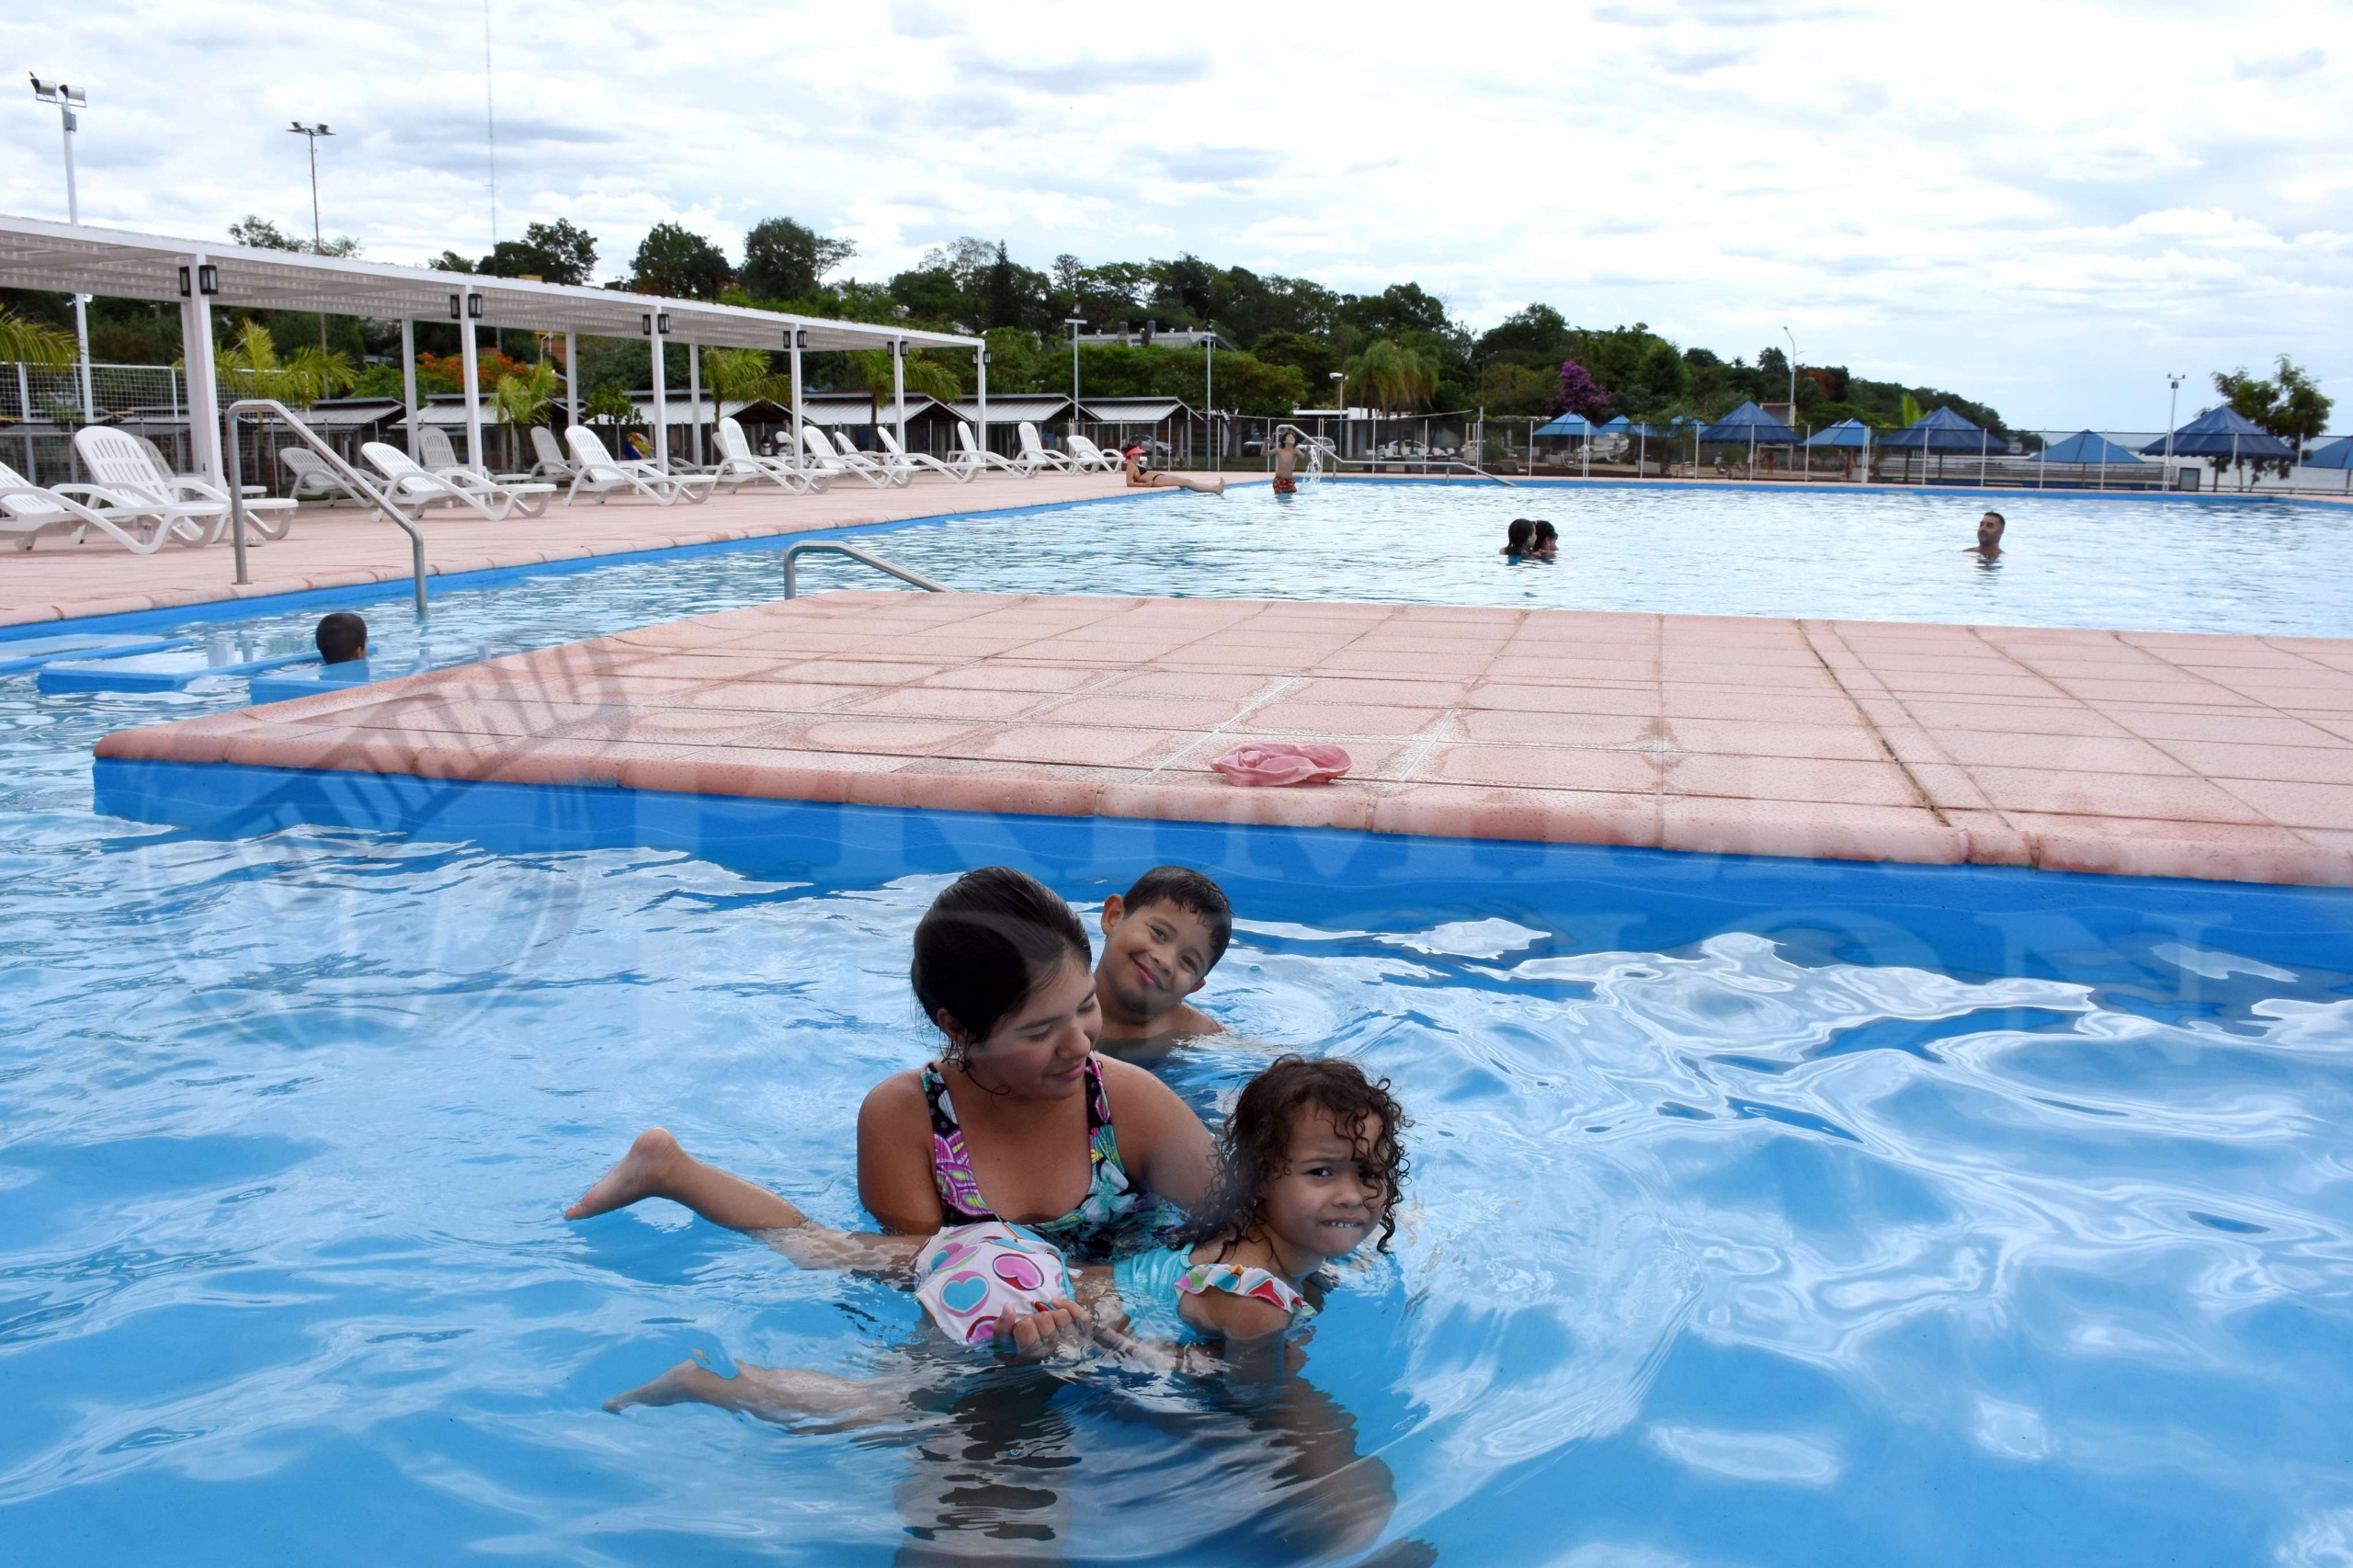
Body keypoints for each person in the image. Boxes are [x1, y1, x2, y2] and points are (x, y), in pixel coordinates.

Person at [601, 1054, 1410, 1416]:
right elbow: (1242, 1396)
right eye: (1323, 1173)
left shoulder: (1237, 1244)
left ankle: (675, 1169)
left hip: (1009, 1257)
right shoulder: (1262, 1300)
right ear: (1264, 1179)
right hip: (1024, 1301)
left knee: (825, 1248)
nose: (1352, 1195)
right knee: (898, 1405)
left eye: (1369, 1176)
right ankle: (713, 1386)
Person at [566, 866, 1215, 1264]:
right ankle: (671, 1171)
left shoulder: (1126, 1102)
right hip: (989, 1316)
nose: (1079, 1044)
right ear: (958, 1029)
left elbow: (1249, 1223)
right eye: (1042, 1030)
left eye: (1085, 1008)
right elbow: (915, 1269)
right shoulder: (908, 1116)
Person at [1093, 865, 1232, 1059]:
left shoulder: (1191, 1030)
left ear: (1193, 987)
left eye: (1188, 962)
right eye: (1159, 933)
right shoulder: (1052, 995)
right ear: (1114, 916)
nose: (1165, 961)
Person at [1125, 443, 1226, 496]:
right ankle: (1215, 490)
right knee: (1187, 482)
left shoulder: (1134, 464)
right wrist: (1144, 485)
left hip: (1159, 478)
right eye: (1138, 454)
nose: (1140, 455)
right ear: (1132, 455)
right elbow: (1129, 483)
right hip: (1157, 480)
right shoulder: (1131, 466)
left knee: (1187, 482)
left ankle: (1215, 488)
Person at [1270, 428, 1305, 495]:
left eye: (1293, 437)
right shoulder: (1279, 450)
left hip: (1289, 481)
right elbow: (1263, 453)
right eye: (1289, 436)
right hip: (1279, 480)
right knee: (1280, 499)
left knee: (1291, 499)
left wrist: (1307, 450)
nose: (1292, 437)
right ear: (1284, 441)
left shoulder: (1295, 451)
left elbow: (1304, 457)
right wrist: (1265, 443)